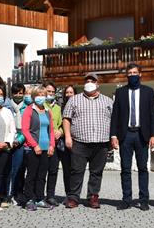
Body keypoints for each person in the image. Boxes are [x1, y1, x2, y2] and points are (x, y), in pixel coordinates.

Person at [62, 73, 113, 209]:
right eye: (87, 81)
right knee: (77, 171)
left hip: (101, 143)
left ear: (98, 83)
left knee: (96, 172)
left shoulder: (108, 101)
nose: (89, 82)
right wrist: (67, 136)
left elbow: (114, 121)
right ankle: (73, 197)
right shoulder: (74, 100)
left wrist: (113, 138)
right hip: (79, 142)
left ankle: (93, 197)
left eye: (92, 80)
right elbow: (66, 118)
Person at [110, 64, 154, 210]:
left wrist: (153, 135)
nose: (132, 75)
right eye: (129, 73)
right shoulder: (120, 92)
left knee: (143, 168)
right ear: (126, 75)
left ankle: (144, 200)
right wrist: (113, 135)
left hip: (142, 135)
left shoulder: (148, 92)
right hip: (126, 135)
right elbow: (115, 115)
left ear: (140, 74)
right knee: (125, 169)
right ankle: (126, 199)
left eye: (135, 72)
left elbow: (152, 115)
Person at [22, 85, 56, 210]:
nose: (40, 97)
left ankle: (40, 198)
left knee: (42, 175)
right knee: (31, 174)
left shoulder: (48, 111)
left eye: (43, 95)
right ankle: (29, 199)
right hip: (33, 148)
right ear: (33, 97)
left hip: (46, 147)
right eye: (38, 95)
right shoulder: (29, 110)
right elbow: (25, 130)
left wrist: (52, 145)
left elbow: (51, 131)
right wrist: (34, 145)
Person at [5, 82, 28, 205]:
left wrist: (19, 140)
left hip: (20, 142)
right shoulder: (6, 107)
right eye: (16, 93)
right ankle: (5, 193)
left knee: (18, 169)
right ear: (12, 93)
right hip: (7, 141)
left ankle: (15, 193)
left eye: (21, 93)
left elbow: (27, 128)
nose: (18, 95)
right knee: (6, 169)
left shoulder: (27, 107)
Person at [44, 81, 64, 206]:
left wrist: (60, 132)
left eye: (52, 92)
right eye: (48, 91)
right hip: (42, 142)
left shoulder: (57, 108)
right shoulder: (40, 105)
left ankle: (50, 195)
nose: (50, 94)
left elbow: (61, 124)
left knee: (53, 171)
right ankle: (37, 195)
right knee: (40, 171)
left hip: (54, 143)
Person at [57, 85, 76, 199]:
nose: (69, 95)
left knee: (76, 169)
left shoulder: (79, 105)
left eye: (71, 92)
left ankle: (75, 193)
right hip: (64, 142)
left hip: (77, 142)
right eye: (67, 92)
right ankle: (68, 194)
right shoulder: (61, 108)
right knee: (66, 169)